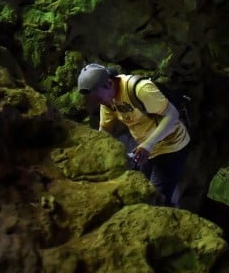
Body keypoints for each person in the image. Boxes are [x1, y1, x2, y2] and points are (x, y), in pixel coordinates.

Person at [77, 63, 191, 206]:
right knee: (141, 189)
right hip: (146, 149)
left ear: (109, 84)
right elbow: (105, 130)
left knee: (155, 199)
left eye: (98, 98)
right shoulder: (108, 101)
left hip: (172, 146)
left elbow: (172, 115)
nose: (98, 103)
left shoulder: (139, 89)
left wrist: (148, 145)